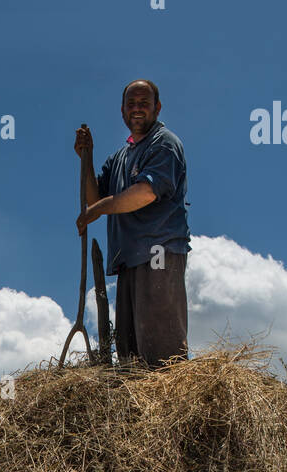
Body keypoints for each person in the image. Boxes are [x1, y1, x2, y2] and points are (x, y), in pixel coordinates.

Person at [74, 79, 190, 367]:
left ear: (157, 108)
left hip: (158, 253)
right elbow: (94, 196)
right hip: (129, 258)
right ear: (123, 110)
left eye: (144, 103)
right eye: (131, 104)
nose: (137, 109)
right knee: (131, 356)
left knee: (160, 351)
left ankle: (169, 405)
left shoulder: (164, 143)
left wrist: (99, 209)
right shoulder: (121, 157)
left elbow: (145, 192)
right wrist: (85, 158)